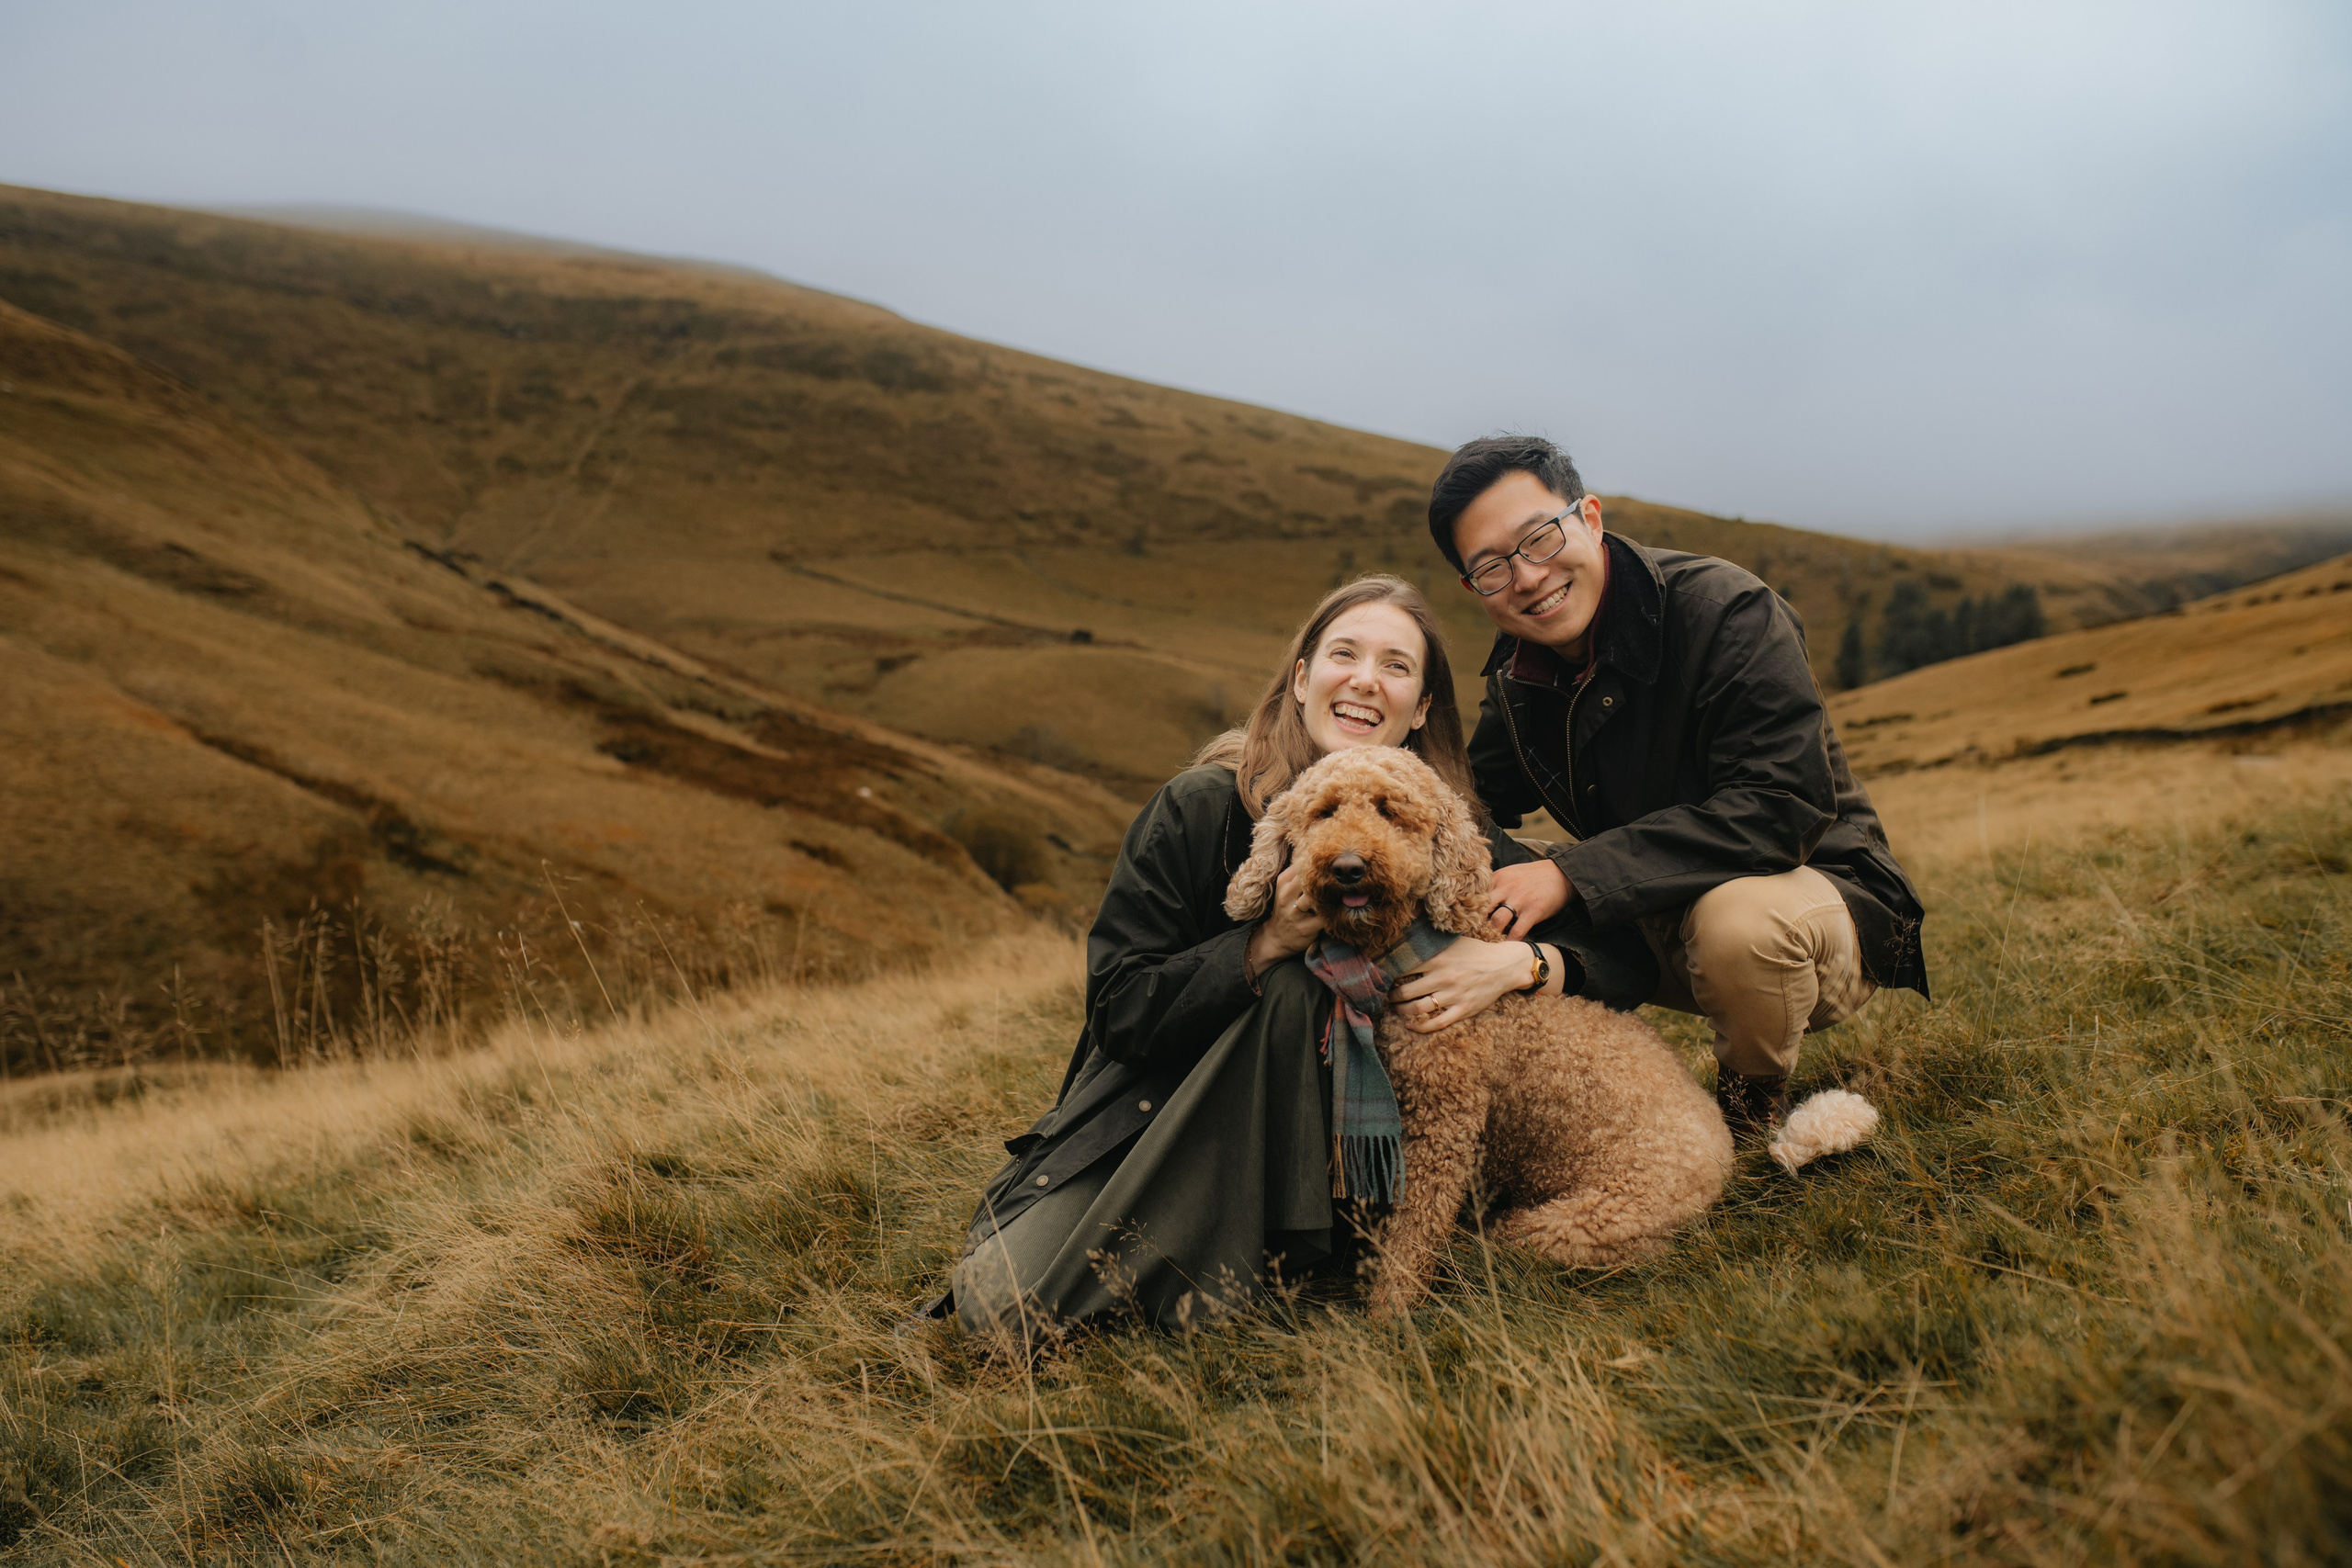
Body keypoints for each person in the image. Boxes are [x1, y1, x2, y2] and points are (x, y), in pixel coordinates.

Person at [940, 575, 1577, 1344]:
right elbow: (1119, 1009)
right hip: (1172, 1115)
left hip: (1356, 1171)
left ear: (1424, 707)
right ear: (1303, 678)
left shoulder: (1443, 822)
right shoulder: (1201, 807)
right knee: (1003, 1308)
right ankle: (1234, 1245)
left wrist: (1524, 964)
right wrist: (1262, 944)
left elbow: (1612, 944)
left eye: (1397, 666)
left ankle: (1311, 1248)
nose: (1367, 679)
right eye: (1344, 653)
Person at [1424, 434, 1929, 1133]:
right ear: (1471, 586)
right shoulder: (1518, 676)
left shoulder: (1727, 610)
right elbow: (1464, 803)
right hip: (1658, 909)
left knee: (1737, 924)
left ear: (1590, 518)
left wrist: (1572, 875)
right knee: (1469, 878)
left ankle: (1750, 1108)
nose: (1528, 577)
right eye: (1492, 567)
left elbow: (1784, 805)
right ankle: (1527, 1113)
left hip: (1819, 905)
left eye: (1539, 538)